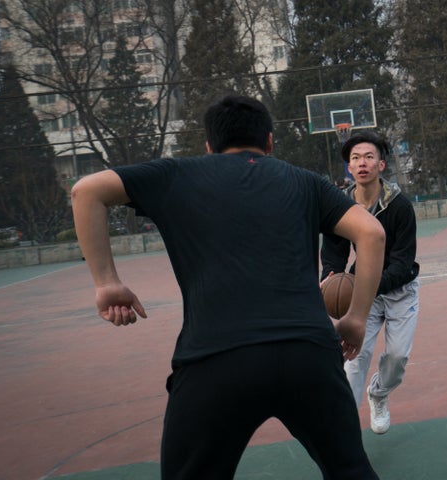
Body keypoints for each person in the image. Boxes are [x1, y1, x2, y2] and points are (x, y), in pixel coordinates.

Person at [71, 95, 386, 479]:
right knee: (349, 470)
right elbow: (371, 233)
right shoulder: (305, 182)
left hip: (216, 360)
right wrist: (355, 319)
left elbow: (86, 191)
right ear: (269, 142)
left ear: (208, 146)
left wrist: (107, 283)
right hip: (307, 354)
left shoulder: (176, 174)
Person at [320, 131, 420, 435]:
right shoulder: (340, 206)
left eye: (368, 157)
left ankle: (378, 394)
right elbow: (333, 254)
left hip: (400, 289)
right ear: (349, 168)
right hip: (365, 291)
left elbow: (403, 264)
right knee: (355, 356)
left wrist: (363, 283)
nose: (361, 163)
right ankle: (344, 428)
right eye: (355, 158)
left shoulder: (400, 206)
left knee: (398, 356)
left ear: (381, 164)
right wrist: (332, 276)